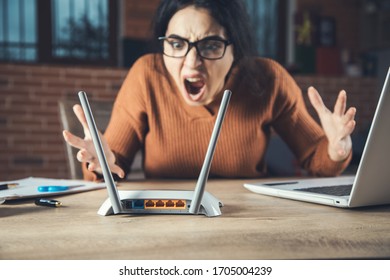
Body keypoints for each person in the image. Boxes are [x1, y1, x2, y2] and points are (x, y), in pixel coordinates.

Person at [62, 0, 356, 181]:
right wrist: (102, 164)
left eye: (211, 45)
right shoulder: (146, 76)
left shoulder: (269, 79)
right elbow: (112, 168)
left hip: (252, 220)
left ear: (235, 50)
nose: (192, 62)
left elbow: (318, 163)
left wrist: (335, 149)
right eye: (176, 44)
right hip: (166, 220)